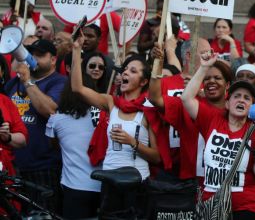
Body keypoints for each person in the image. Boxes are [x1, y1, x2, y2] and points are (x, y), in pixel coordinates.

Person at [71, 33, 160, 214]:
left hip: (137, 183)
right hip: (110, 181)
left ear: (144, 81)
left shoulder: (148, 110)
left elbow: (156, 157)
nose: (125, 72)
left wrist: (132, 142)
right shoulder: (111, 102)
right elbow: (77, 88)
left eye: (133, 71)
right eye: (125, 69)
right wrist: (76, 50)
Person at [181, 51, 255, 219]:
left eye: (247, 98)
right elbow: (186, 98)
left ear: (252, 106)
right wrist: (204, 67)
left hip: (245, 204)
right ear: (228, 103)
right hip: (211, 204)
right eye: (237, 96)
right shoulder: (212, 119)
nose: (241, 100)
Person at [149, 42, 232, 180]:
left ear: (227, 85)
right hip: (190, 181)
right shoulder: (187, 106)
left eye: (217, 78)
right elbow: (155, 98)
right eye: (207, 79)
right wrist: (157, 64)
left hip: (224, 181)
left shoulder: (234, 110)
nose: (212, 82)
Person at [5, 39, 66, 212]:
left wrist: (28, 81)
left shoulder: (59, 82)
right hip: (13, 166)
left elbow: (48, 109)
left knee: (42, 214)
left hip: (43, 167)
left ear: (53, 59)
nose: (34, 58)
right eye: (32, 54)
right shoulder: (14, 83)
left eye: (40, 55)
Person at [46, 77, 101, 219]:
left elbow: (53, 145)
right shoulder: (103, 115)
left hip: (74, 187)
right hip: (104, 185)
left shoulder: (56, 119)